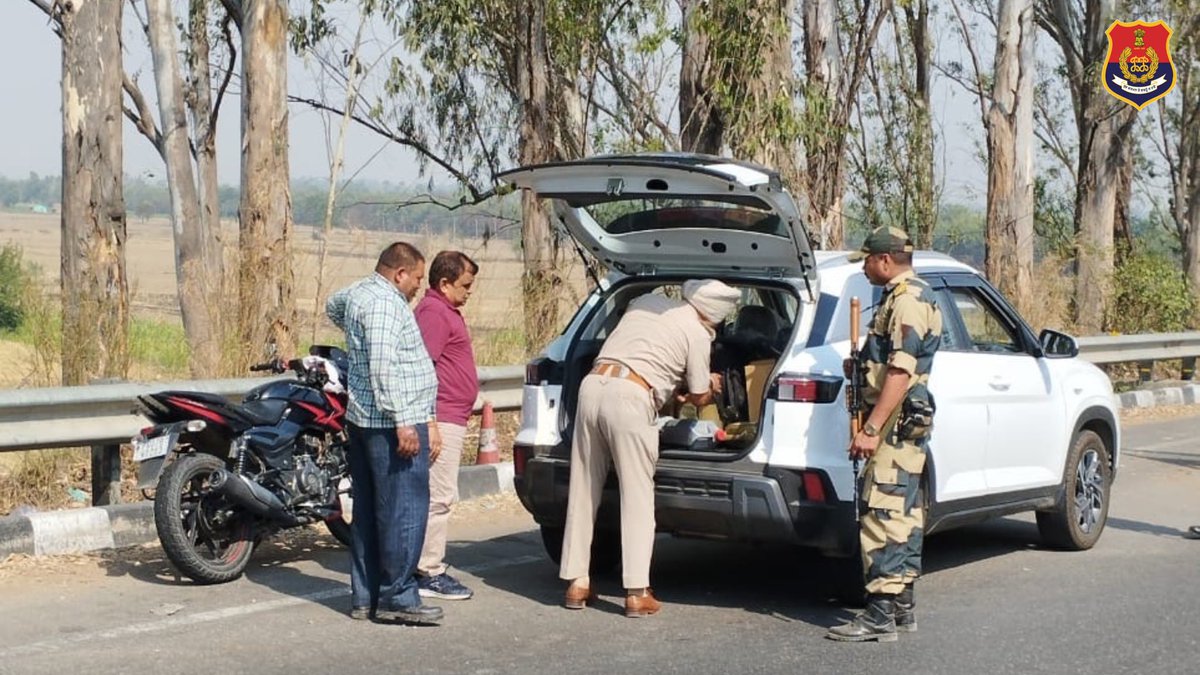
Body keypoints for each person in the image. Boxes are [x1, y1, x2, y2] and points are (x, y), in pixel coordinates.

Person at [560, 279, 740, 618]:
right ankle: (637, 591)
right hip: (631, 398)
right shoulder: (699, 334)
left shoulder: (646, 301)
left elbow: (651, 352)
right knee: (637, 495)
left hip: (592, 386)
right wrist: (709, 387)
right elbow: (700, 396)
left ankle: (577, 582)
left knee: (583, 489)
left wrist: (674, 385)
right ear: (714, 317)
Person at [827, 226, 942, 643]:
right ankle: (901, 606)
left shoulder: (907, 301)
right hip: (901, 416)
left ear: (886, 260)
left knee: (881, 513)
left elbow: (900, 370)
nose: (865, 266)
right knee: (904, 513)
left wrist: (872, 428)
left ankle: (878, 613)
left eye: (869, 259)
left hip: (893, 420)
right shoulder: (904, 297)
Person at [326, 241, 444, 626]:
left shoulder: (360, 293)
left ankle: (367, 597)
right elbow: (382, 366)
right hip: (389, 425)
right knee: (404, 512)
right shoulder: (383, 304)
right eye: (417, 280)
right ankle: (398, 597)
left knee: (370, 513)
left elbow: (333, 305)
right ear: (400, 274)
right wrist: (403, 420)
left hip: (366, 421)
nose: (418, 288)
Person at [413, 250, 481, 601]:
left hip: (450, 415)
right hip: (441, 418)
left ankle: (424, 564)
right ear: (444, 283)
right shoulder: (435, 313)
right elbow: (423, 370)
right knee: (439, 497)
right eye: (465, 285)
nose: (470, 292)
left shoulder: (444, 311)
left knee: (436, 495)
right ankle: (428, 570)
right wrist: (432, 423)